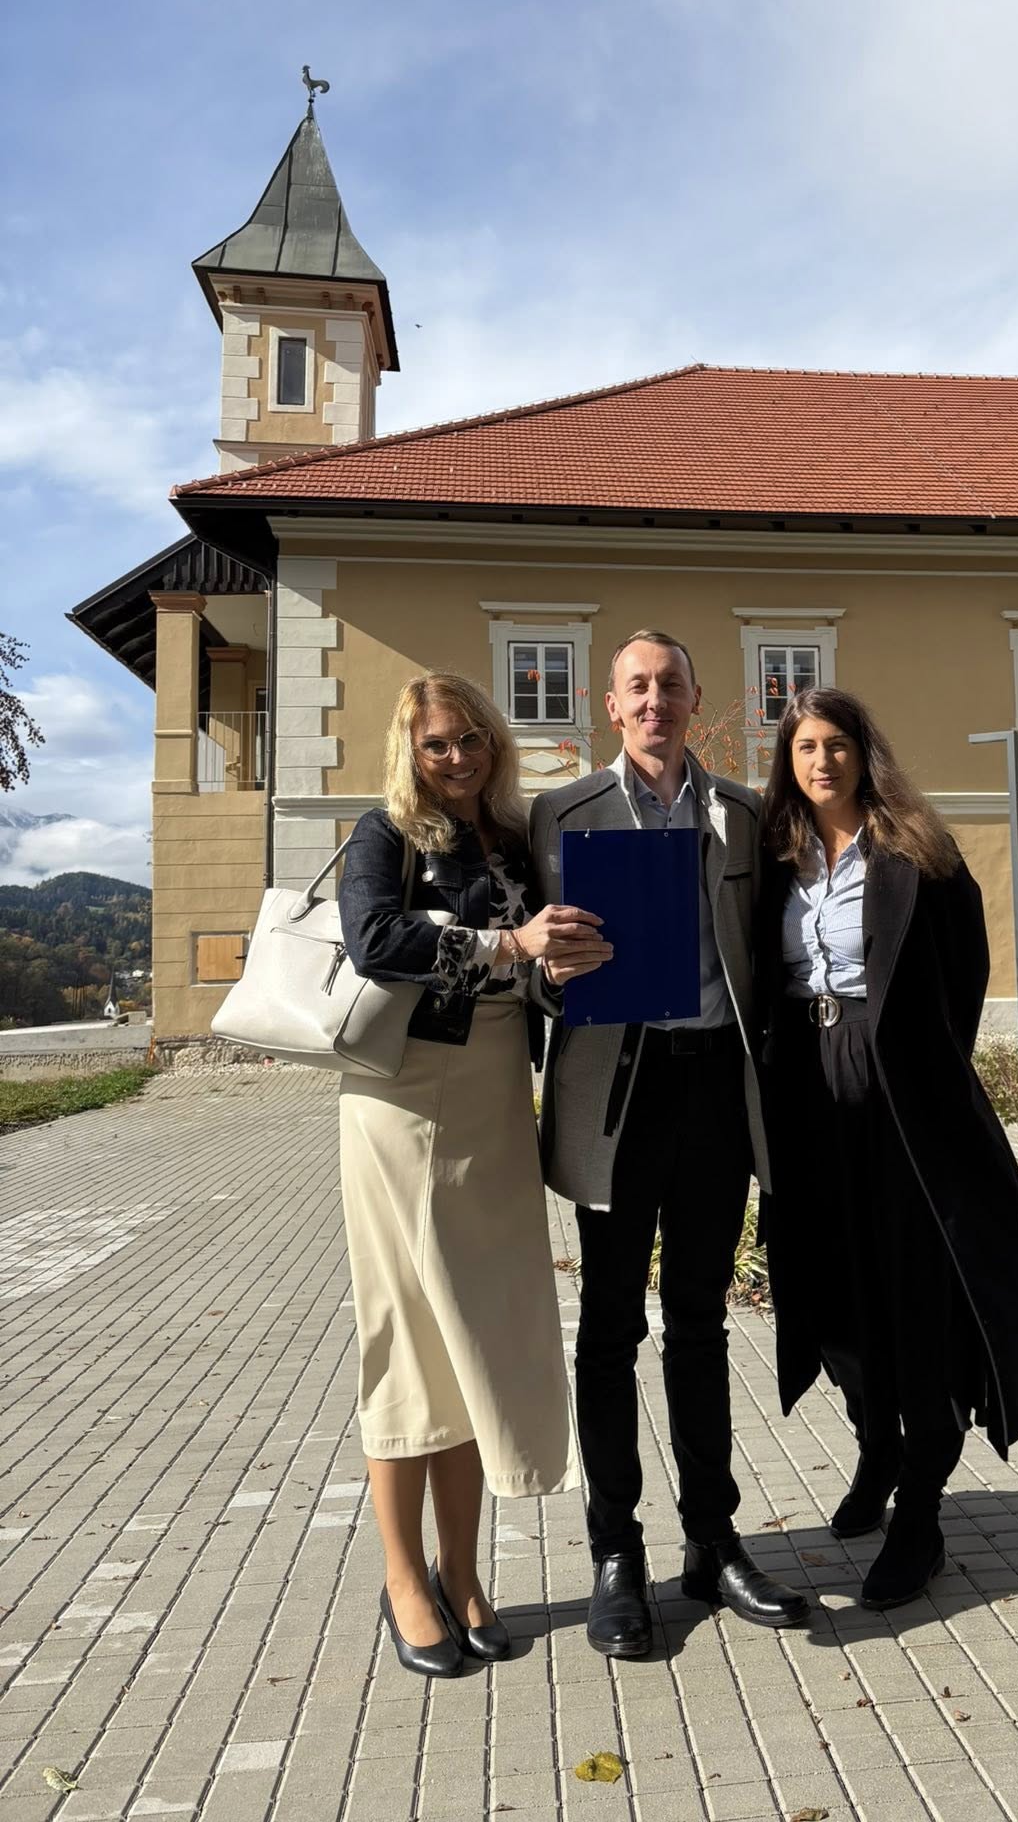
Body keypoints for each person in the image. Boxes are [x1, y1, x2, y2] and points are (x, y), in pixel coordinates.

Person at [528, 629, 809, 1660]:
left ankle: (712, 1540)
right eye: (637, 686)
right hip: (615, 1091)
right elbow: (522, 953)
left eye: (671, 684)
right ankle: (615, 1555)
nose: (655, 700)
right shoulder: (558, 813)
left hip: (711, 1093)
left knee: (700, 1322)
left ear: (696, 698)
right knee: (608, 1330)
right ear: (612, 705)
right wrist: (540, 970)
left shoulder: (739, 810)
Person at [758, 687, 1018, 1610]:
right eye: (805, 747)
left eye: (837, 744)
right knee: (830, 1285)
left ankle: (922, 1504)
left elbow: (964, 976)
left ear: (863, 752)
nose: (821, 762)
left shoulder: (919, 854)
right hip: (804, 1089)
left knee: (912, 1294)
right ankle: (875, 1445)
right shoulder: (776, 858)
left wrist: (917, 1075)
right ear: (789, 761)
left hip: (899, 1096)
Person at [338, 672, 609, 1678]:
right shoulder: (384, 833)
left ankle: (463, 1571)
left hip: (494, 1092)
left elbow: (535, 959)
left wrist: (557, 961)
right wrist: (507, 942)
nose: (457, 758)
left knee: (474, 1333)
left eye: (471, 740)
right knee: (408, 1332)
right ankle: (405, 1576)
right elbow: (375, 940)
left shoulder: (508, 837)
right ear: (410, 751)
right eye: (437, 744)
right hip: (404, 1100)